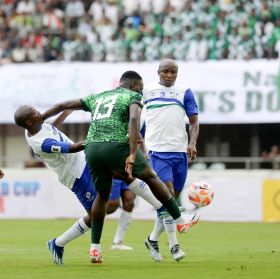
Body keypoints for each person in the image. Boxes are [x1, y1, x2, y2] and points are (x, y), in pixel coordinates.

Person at [42, 70, 193, 264]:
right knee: (151, 176)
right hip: (116, 145)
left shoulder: (98, 96)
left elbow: (62, 105)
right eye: (140, 89)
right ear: (133, 86)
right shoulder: (132, 96)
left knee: (103, 196)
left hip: (92, 149)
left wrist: (42, 118)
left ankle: (95, 248)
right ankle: (180, 220)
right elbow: (133, 121)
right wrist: (131, 153)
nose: (140, 93)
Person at [14, 105, 166, 265]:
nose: (40, 112)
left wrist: (65, 111)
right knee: (98, 214)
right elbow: (71, 148)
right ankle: (58, 243)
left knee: (124, 173)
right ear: (30, 121)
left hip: (85, 160)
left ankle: (161, 208)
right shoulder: (41, 143)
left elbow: (50, 127)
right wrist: (99, 139)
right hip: (76, 176)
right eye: (35, 113)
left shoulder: (35, 127)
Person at [142, 59, 200, 262]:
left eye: (173, 72)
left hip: (180, 152)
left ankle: (152, 239)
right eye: (165, 71)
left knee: (170, 202)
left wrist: (192, 143)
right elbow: (136, 117)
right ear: (158, 72)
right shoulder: (147, 90)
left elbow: (194, 121)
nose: (169, 75)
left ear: (177, 73)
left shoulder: (185, 92)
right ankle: (175, 245)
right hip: (157, 151)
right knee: (167, 195)